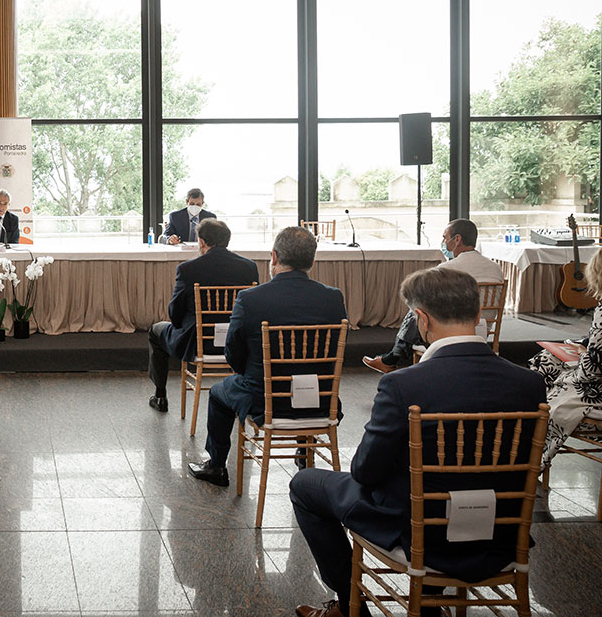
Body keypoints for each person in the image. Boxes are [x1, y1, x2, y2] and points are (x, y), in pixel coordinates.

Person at [291, 267, 546, 617]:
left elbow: (365, 471)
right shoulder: (529, 384)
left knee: (305, 484)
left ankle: (351, 605)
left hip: (419, 533)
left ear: (421, 319)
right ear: (476, 315)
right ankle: (430, 602)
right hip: (500, 532)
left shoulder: (403, 385)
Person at [189, 226, 347, 487]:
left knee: (218, 393)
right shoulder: (333, 298)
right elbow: (333, 353)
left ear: (273, 256)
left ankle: (216, 465)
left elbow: (233, 352)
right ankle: (304, 452)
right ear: (312, 261)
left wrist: (245, 373)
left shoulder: (251, 299)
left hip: (263, 399)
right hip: (320, 401)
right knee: (302, 372)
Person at [146, 218, 258, 412]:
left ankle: (160, 395)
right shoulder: (248, 267)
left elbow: (175, 314)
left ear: (202, 242)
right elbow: (251, 308)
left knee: (156, 331)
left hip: (197, 342)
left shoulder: (188, 269)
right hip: (236, 342)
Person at [363, 219, 503, 373]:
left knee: (417, 309)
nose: (443, 242)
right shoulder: (496, 268)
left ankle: (393, 357)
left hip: (451, 329)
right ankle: (391, 358)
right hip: (485, 327)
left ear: (457, 239)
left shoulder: (448, 269)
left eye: (445, 237)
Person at [530, 250, 602, 469]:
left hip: (595, 389)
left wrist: (580, 358)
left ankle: (530, 452)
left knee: (548, 369)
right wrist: (584, 348)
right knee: (547, 359)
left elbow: (590, 373)